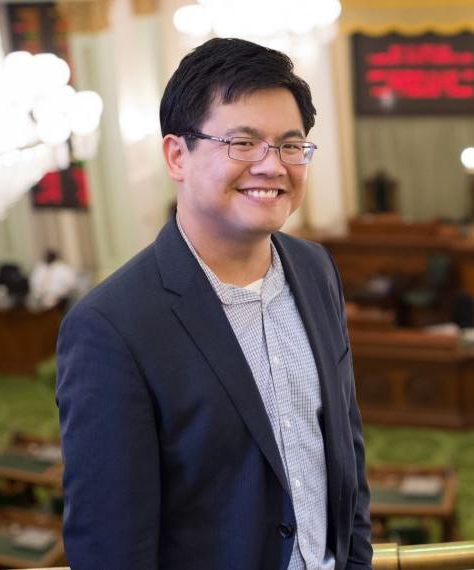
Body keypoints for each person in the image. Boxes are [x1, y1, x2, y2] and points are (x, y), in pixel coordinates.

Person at [56, 38, 372, 570]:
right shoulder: (110, 327)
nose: (273, 166)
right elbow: (112, 547)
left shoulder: (316, 269)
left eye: (291, 145)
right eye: (243, 143)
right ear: (177, 155)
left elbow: (344, 455)